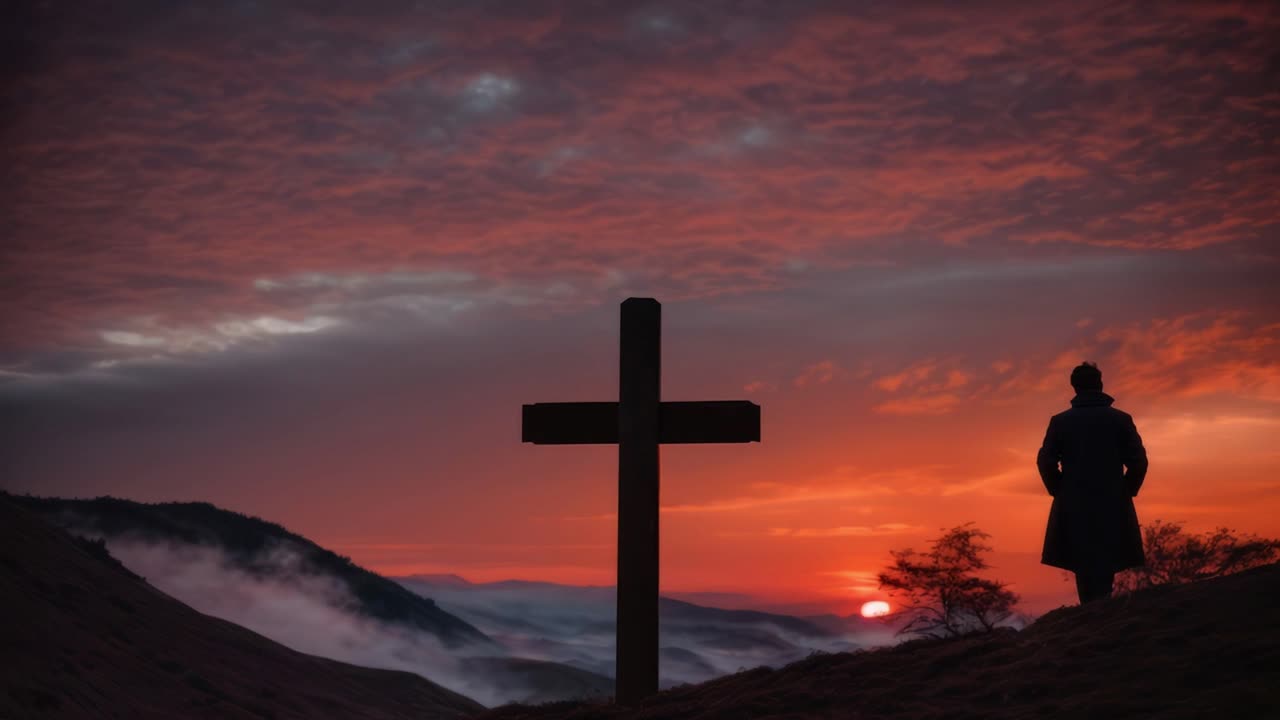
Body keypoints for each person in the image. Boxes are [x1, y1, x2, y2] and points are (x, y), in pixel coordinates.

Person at [1037, 362, 1148, 603]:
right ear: (1100, 384)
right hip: (1112, 500)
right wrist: (1125, 491)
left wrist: (1060, 491)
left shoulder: (1060, 422)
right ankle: (1100, 608)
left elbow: (1045, 462)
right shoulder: (1121, 420)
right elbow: (1139, 462)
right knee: (1107, 556)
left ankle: (1092, 608)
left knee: (1082, 559)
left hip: (1075, 502)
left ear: (1074, 388)